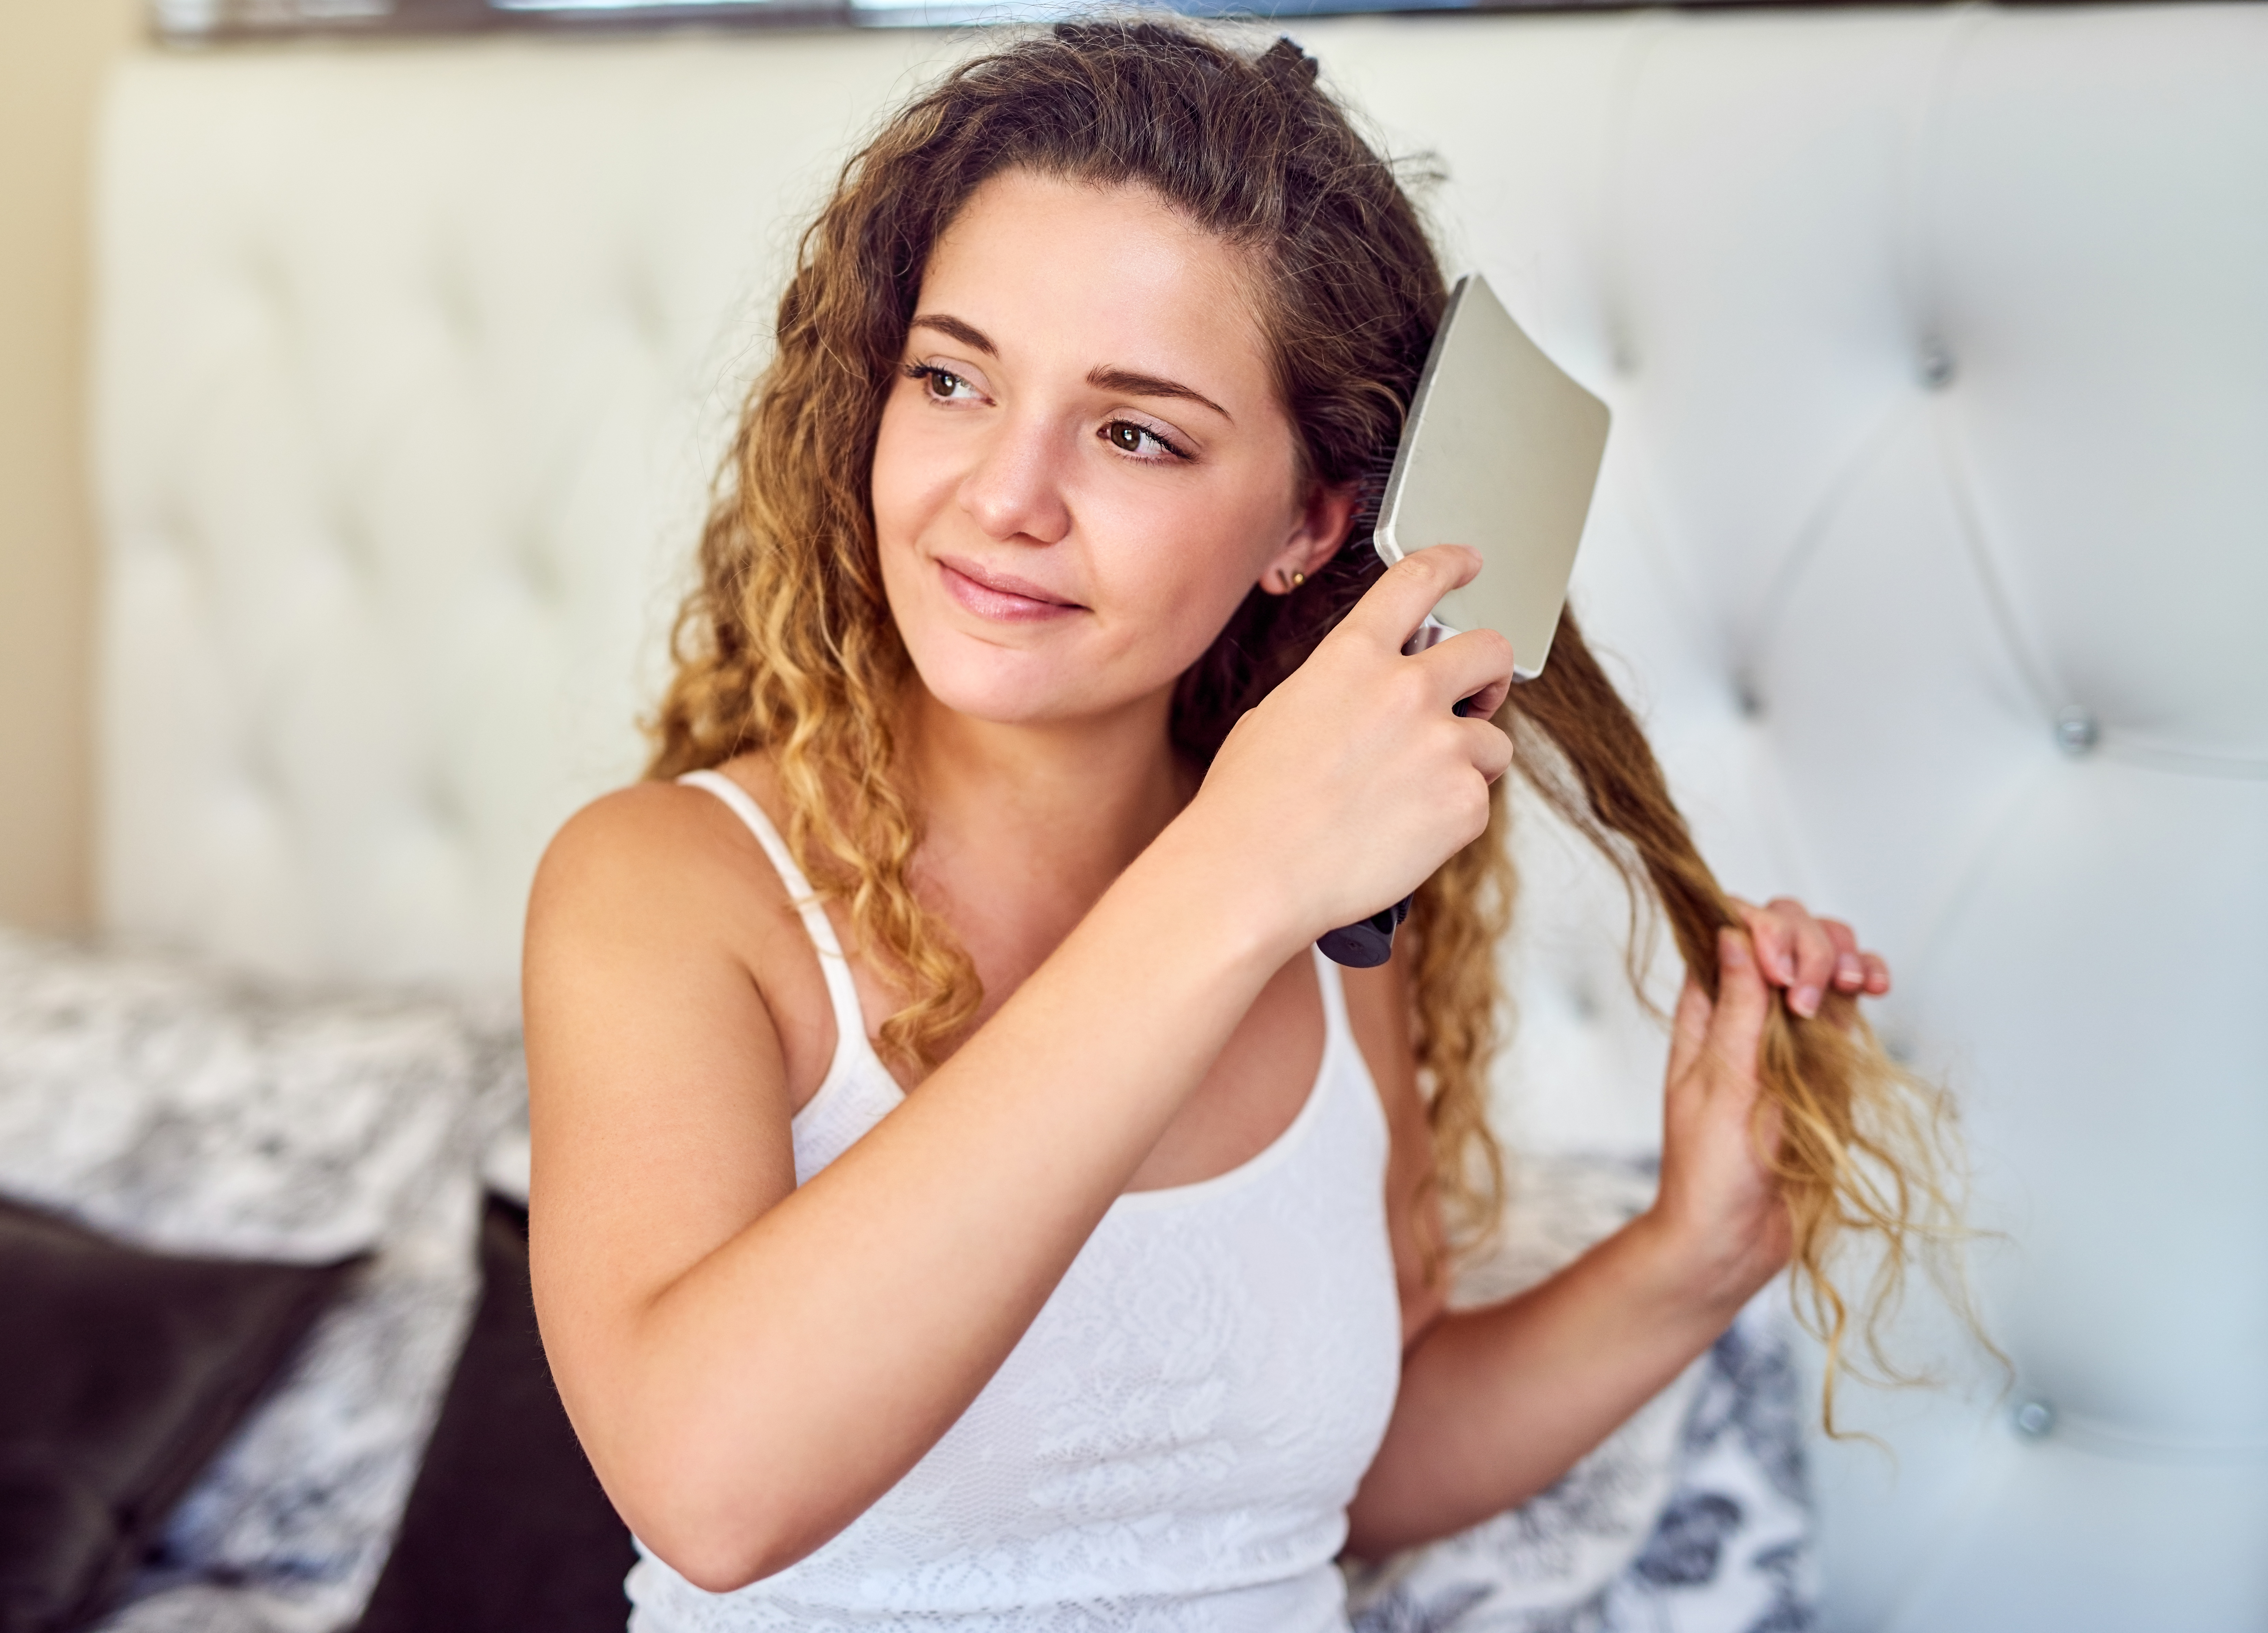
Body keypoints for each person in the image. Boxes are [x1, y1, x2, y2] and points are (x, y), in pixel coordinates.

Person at [522, 19, 1949, 1630]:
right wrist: (1228, 879)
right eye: (951, 377)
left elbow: (1329, 1469)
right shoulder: (670, 889)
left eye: (1133, 430)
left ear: (1306, 524)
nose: (1005, 492)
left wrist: (1689, 1255)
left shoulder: (1326, 920)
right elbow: (713, 1487)